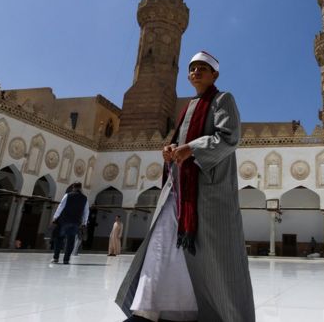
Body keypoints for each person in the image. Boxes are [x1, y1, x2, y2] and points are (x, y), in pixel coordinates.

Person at [115, 51, 255, 322]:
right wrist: (171, 150)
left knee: (212, 261)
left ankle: (213, 314)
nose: (196, 73)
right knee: (163, 246)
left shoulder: (222, 99)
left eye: (203, 68)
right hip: (179, 192)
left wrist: (191, 148)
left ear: (214, 74)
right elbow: (181, 142)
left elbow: (229, 138)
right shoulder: (189, 107)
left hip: (208, 194)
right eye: (192, 69)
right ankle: (150, 310)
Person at [51, 181, 89, 264]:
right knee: (70, 241)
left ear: (73, 187)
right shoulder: (84, 198)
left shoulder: (68, 195)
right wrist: (84, 223)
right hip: (76, 222)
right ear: (81, 188)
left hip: (64, 220)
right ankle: (66, 259)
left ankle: (56, 258)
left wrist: (55, 217)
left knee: (59, 239)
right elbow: (86, 211)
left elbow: (61, 206)